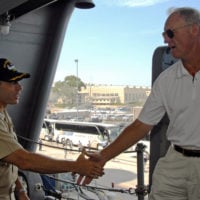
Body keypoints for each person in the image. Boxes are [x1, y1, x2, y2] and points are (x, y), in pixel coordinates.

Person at [78, 7, 200, 200]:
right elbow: (140, 125)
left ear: (194, 29)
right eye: (164, 34)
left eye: (170, 33)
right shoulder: (166, 80)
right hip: (175, 161)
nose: (165, 40)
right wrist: (104, 156)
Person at [0, 58, 104, 200]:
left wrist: (20, 190)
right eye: (12, 83)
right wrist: (76, 166)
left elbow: (9, 160)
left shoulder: (3, 113)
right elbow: (23, 160)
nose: (20, 87)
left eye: (18, 82)